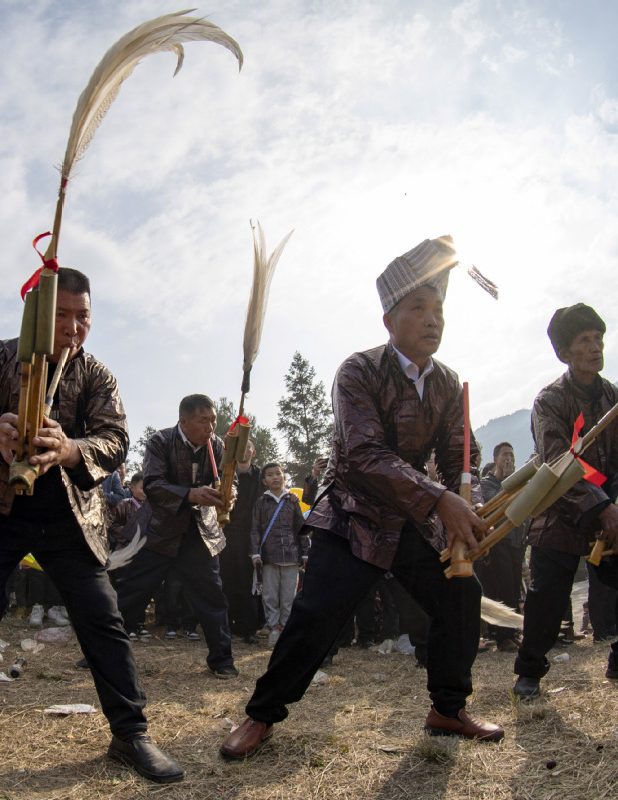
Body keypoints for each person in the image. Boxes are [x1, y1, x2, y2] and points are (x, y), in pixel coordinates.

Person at [220, 236, 502, 762]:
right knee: (317, 617)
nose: (432, 319)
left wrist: (470, 498)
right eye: (418, 308)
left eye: (438, 309)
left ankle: (447, 706)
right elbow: (366, 455)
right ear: (389, 319)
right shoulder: (358, 371)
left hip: (415, 520)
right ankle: (261, 715)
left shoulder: (447, 383)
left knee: (459, 597)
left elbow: (461, 451)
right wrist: (442, 500)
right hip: (354, 517)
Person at [0, 267, 182, 783]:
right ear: (36, 314)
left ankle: (130, 732)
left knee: (103, 620)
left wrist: (71, 448)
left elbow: (115, 440)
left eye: (84, 318)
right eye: (62, 316)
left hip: (70, 522)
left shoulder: (97, 375)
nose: (74, 328)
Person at [512, 303, 618, 701]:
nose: (596, 347)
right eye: (585, 340)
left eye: (598, 339)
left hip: (607, 510)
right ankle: (529, 672)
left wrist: (617, 508)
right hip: (558, 511)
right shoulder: (549, 401)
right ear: (565, 352)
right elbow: (557, 460)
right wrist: (600, 506)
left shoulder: (616, 397)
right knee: (547, 597)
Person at [117, 394, 238, 678]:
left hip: (199, 533)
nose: (210, 427)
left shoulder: (217, 445)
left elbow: (229, 480)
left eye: (214, 420)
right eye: (203, 420)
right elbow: (154, 485)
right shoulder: (160, 441)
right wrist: (189, 494)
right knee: (131, 591)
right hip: (159, 530)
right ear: (183, 421)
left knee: (212, 596)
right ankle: (98, 652)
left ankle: (222, 660)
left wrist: (230, 494)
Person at [249, 462, 307, 646]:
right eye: (270, 475)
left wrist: (305, 553)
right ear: (264, 481)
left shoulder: (292, 500)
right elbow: (255, 529)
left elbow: (301, 528)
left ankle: (286, 629)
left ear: (284, 476)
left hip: (291, 556)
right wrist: (255, 553)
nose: (275, 477)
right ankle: (273, 629)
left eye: (278, 473)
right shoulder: (261, 502)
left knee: (289, 597)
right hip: (268, 556)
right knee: (270, 596)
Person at [475, 441, 525, 651]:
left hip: (516, 543)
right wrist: (510, 481)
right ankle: (503, 636)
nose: (509, 459)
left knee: (514, 589)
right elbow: (498, 505)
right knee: (503, 588)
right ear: (495, 459)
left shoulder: (516, 483)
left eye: (512, 455)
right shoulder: (486, 484)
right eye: (505, 455)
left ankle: (512, 633)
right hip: (499, 543)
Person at [221, 440, 265, 645]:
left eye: (248, 446)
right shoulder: (226, 472)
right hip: (226, 533)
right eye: (240, 446)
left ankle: (249, 629)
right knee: (226, 580)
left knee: (248, 583)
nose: (244, 450)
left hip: (251, 535)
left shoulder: (260, 476)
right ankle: (227, 627)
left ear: (253, 452)